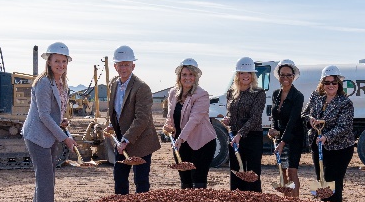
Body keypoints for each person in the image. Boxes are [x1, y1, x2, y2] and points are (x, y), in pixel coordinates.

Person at [22, 42, 77, 202]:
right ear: (49, 62)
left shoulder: (61, 82)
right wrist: (65, 138)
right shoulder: (43, 83)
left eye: (64, 61)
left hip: (50, 135)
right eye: (57, 61)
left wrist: (62, 122)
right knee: (45, 181)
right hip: (37, 136)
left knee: (46, 179)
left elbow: (54, 112)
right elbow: (43, 115)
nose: (60, 64)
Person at [107, 45, 161, 194]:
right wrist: (111, 125)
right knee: (119, 177)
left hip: (141, 141)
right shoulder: (113, 84)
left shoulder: (141, 88)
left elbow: (142, 118)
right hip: (121, 140)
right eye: (120, 65)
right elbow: (116, 111)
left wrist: (126, 140)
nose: (123, 68)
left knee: (141, 180)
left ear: (133, 66)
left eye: (126, 64)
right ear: (115, 66)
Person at [301, 66, 355, 202]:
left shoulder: (345, 102)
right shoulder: (316, 96)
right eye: (327, 82)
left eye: (334, 82)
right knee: (321, 178)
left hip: (339, 149)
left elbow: (344, 126)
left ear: (339, 84)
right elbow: (304, 114)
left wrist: (327, 137)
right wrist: (310, 120)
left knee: (333, 181)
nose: (331, 85)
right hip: (317, 145)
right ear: (322, 83)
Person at [162, 58, 218, 189]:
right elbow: (171, 115)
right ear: (179, 76)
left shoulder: (202, 95)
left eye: (191, 74)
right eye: (184, 74)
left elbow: (194, 119)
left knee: (198, 178)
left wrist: (180, 138)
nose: (188, 78)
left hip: (202, 143)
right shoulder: (173, 93)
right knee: (185, 179)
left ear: (196, 76)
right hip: (181, 143)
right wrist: (167, 125)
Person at [222, 57, 265, 192]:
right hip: (234, 136)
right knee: (236, 171)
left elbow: (255, 117)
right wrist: (227, 119)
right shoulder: (231, 92)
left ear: (252, 75)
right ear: (237, 75)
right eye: (242, 73)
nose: (245, 76)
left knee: (252, 173)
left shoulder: (259, 93)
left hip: (252, 137)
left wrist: (240, 134)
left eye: (248, 73)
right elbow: (230, 113)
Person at [268, 59, 305, 198]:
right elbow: (275, 117)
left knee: (292, 171)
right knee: (282, 170)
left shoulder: (298, 96)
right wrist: (273, 129)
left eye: (288, 75)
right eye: (282, 75)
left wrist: (283, 143)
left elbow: (292, 121)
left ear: (293, 76)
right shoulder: (276, 94)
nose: (285, 78)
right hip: (280, 136)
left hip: (294, 136)